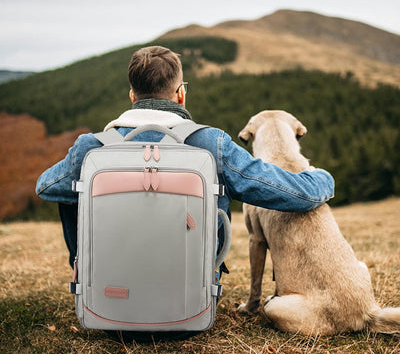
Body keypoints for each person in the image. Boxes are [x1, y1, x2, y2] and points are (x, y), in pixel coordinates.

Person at [36, 45, 334, 274]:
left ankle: (86, 270)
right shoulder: (210, 144)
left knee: (73, 190)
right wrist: (322, 178)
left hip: (103, 303)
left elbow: (45, 187)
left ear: (131, 96)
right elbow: (289, 192)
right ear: (180, 95)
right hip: (191, 304)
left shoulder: (91, 147)